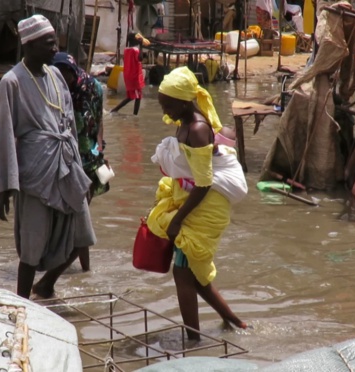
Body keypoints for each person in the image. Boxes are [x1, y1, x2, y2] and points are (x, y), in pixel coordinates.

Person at [0, 15, 96, 299]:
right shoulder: (11, 82)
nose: (55, 49)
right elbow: (3, 135)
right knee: (32, 246)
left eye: (56, 43)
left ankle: (47, 283)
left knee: (83, 236)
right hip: (35, 171)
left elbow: (70, 126)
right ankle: (22, 305)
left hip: (65, 164)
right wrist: (2, 188)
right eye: (49, 44)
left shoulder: (56, 75)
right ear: (30, 44)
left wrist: (80, 170)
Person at [148, 67, 248, 340]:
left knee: (182, 273)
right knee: (195, 276)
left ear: (183, 102)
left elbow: (203, 183)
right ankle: (237, 324)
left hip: (208, 203)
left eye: (167, 104)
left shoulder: (197, 129)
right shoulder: (182, 122)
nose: (164, 110)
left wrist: (178, 219)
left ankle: (192, 340)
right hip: (198, 199)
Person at [52, 51, 110, 272]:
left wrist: (101, 149)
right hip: (71, 158)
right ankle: (78, 269)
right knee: (75, 216)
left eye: (60, 74)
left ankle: (82, 270)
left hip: (84, 160)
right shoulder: (69, 87)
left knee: (79, 217)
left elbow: (98, 120)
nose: (57, 79)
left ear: (69, 71)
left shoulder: (90, 87)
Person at [110, 32, 145, 115]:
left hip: (128, 76)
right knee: (138, 97)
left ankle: (115, 110)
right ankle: (134, 115)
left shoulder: (126, 50)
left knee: (131, 97)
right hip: (135, 76)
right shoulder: (135, 50)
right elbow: (140, 58)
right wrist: (141, 46)